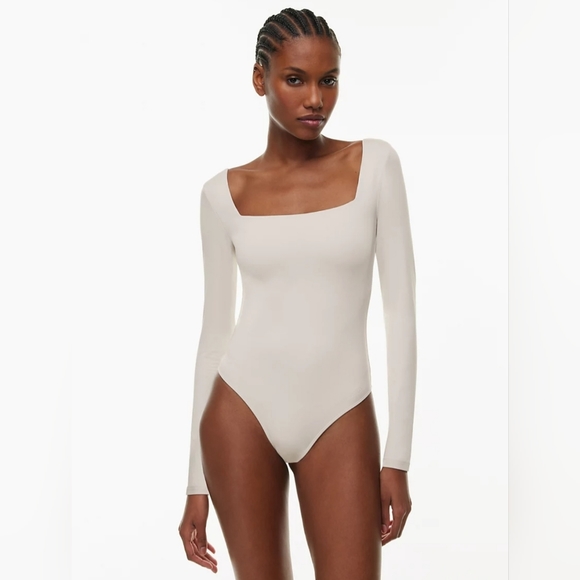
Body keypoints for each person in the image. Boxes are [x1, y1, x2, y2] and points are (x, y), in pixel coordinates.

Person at [178, 7, 417, 580]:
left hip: (341, 412)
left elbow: (401, 312)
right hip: (239, 414)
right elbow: (214, 338)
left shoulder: (374, 165)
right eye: (295, 79)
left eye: (328, 80)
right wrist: (194, 483)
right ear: (259, 79)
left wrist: (398, 458)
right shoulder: (221, 195)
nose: (315, 99)